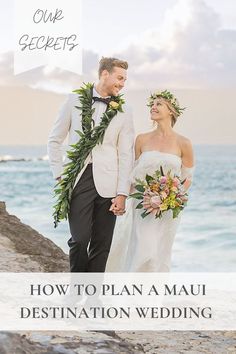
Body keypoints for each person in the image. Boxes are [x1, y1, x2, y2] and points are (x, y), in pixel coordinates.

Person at [47, 57, 134, 272]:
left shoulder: (125, 111)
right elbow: (54, 140)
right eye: (119, 78)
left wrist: (122, 192)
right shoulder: (73, 100)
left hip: (109, 183)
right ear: (105, 73)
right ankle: (77, 289)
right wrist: (59, 176)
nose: (122, 84)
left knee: (102, 243)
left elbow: (125, 154)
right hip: (78, 179)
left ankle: (93, 295)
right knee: (79, 239)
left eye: (125, 79)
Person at [106, 90, 194, 272]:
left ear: (171, 111)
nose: (153, 107)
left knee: (159, 253)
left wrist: (171, 198)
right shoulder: (142, 139)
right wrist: (121, 197)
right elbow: (133, 174)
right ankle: (133, 295)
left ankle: (154, 296)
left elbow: (187, 178)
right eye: (152, 105)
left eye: (158, 104)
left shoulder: (184, 143)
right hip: (142, 205)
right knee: (143, 249)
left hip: (169, 208)